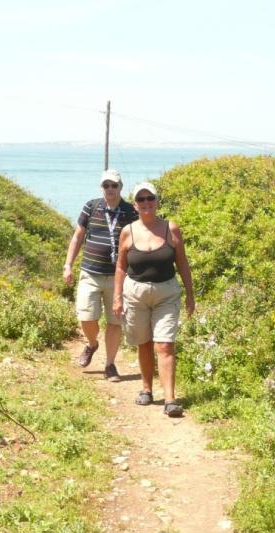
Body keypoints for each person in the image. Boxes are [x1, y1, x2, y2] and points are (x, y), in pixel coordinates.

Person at [112, 181, 195, 417]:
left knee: (165, 344)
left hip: (166, 293)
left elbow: (182, 263)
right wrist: (117, 297)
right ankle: (146, 389)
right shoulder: (128, 231)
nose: (146, 203)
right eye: (141, 199)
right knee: (144, 342)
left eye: (150, 199)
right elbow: (120, 266)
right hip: (135, 293)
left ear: (157, 202)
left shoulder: (171, 228)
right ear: (135, 205)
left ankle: (170, 399)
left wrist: (190, 295)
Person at [63, 169, 138, 381]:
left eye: (114, 185)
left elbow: (138, 239)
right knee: (86, 317)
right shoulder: (91, 206)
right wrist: (68, 265)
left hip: (118, 278)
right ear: (101, 188)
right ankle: (92, 344)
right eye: (106, 185)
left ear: (121, 187)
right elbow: (78, 237)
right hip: (90, 273)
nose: (110, 189)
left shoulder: (130, 212)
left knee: (115, 322)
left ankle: (110, 365)